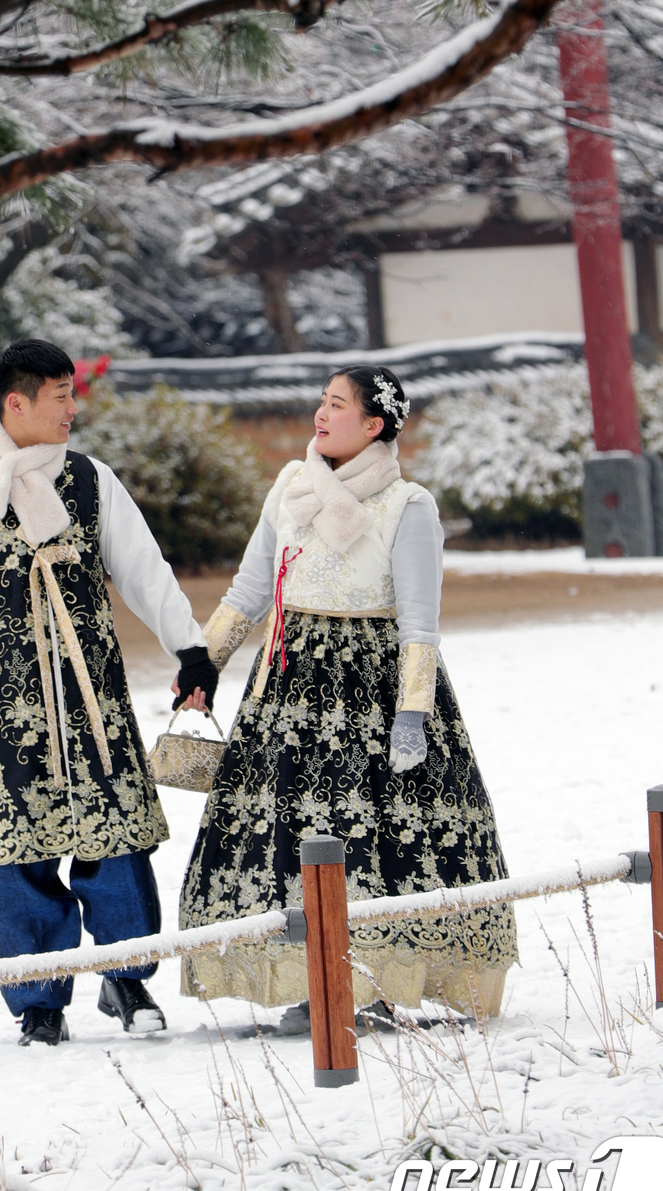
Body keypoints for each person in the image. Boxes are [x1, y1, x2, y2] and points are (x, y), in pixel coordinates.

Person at [178, 365, 517, 1024]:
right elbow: (249, 592)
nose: (320, 414)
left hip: (373, 693)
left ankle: (379, 982)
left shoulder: (407, 507)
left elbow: (420, 623)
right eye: (321, 401)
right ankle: (309, 983)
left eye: (337, 404)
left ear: (374, 425)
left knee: (378, 840)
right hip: (287, 689)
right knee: (288, 839)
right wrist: (205, 664)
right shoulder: (290, 486)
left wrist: (412, 714)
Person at [0, 337, 217, 1047]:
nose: (74, 408)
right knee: (17, 854)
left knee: (117, 840)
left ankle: (127, 975)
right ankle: (37, 997)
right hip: (2, 711)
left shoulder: (90, 480)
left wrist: (190, 648)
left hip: (92, 700)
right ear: (16, 404)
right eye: (60, 396)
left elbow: (144, 569)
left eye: (73, 393)